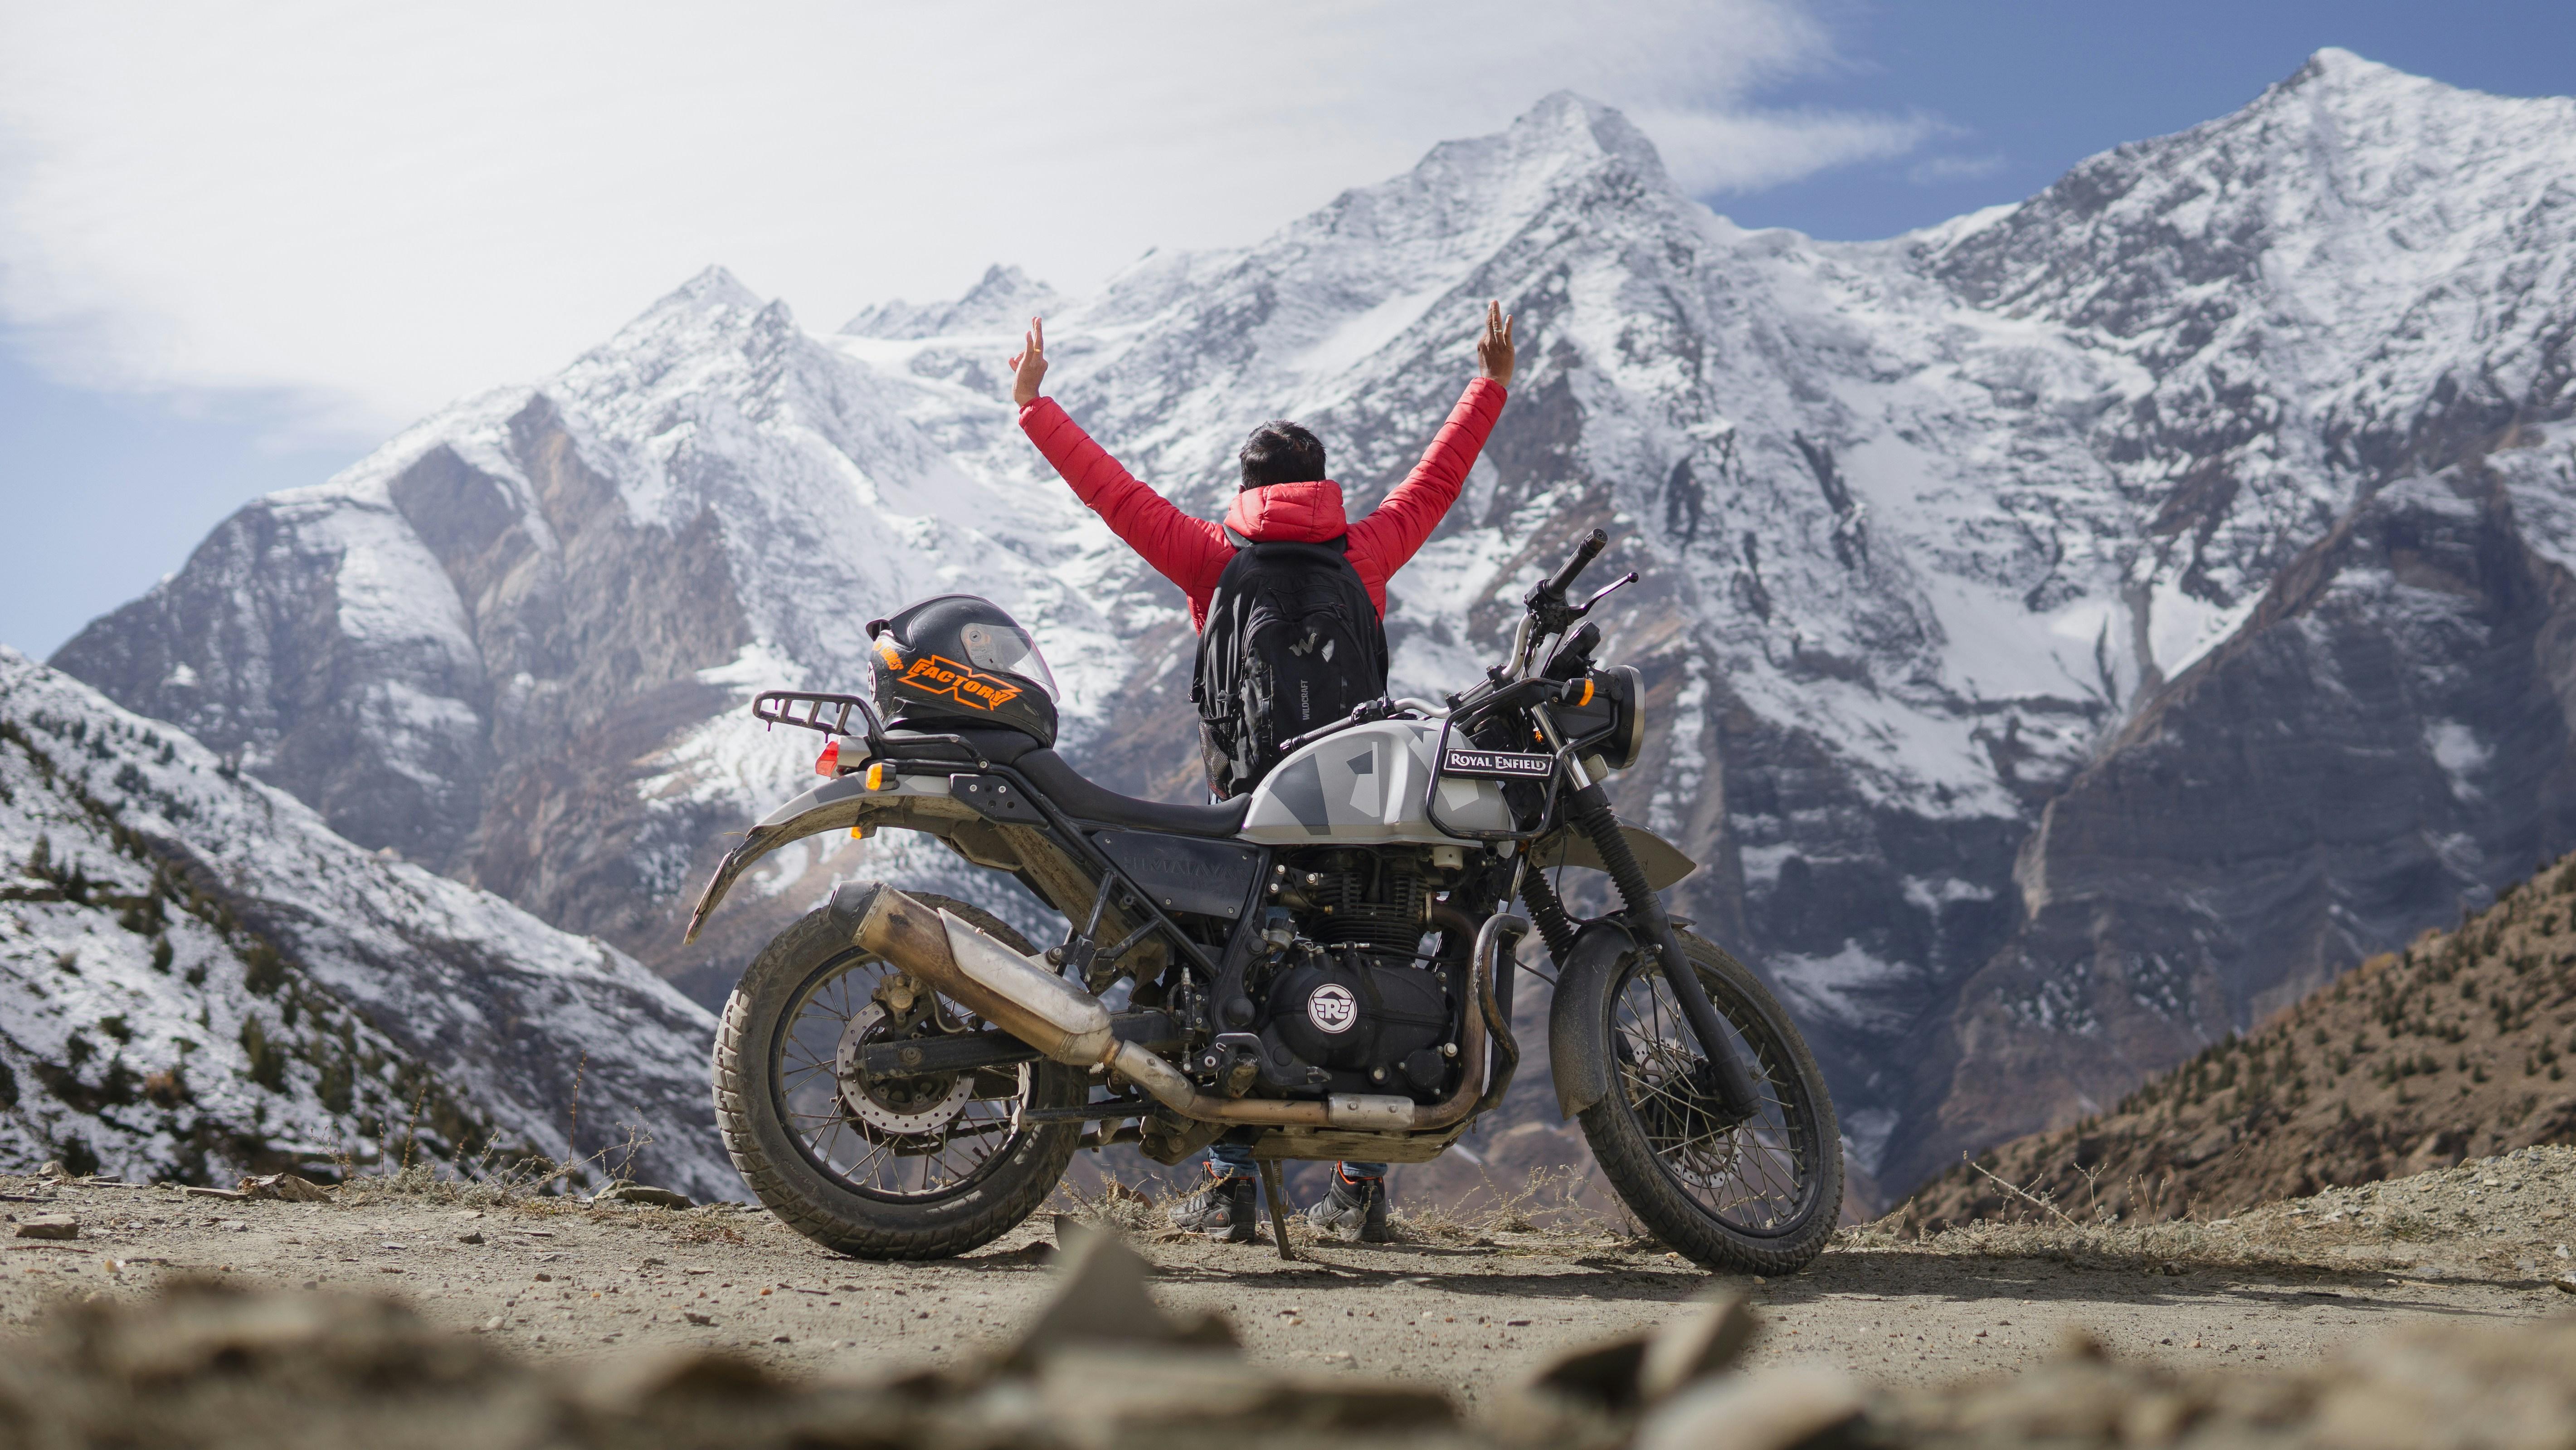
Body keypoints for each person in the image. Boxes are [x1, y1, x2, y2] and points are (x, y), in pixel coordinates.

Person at [1009, 302, 1515, 1244]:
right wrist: (1487, 385)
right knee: (1374, 965)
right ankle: (1359, 1193)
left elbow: (1112, 496)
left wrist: (1038, 409)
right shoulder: (1363, 553)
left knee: (1224, 981)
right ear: (1322, 488)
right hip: (1361, 809)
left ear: (1244, 490)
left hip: (1246, 814)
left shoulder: (1211, 558)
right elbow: (1436, 481)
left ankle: (1229, 1187)